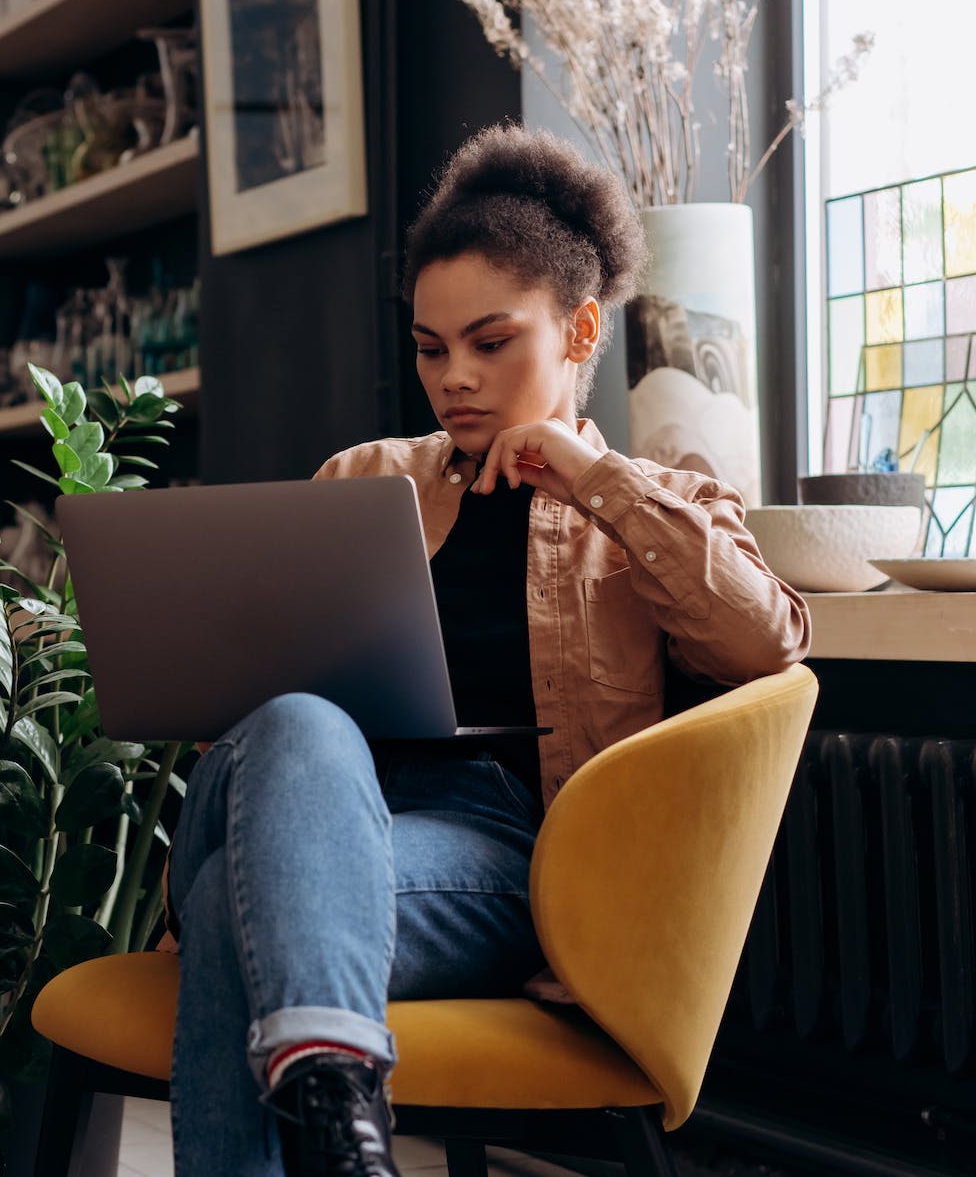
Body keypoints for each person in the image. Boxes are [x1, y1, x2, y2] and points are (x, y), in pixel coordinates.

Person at [165, 125, 811, 1177]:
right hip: (292, 792)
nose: (453, 377)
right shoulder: (364, 476)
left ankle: (324, 1085)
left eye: (490, 340)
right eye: (428, 347)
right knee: (297, 722)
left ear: (578, 328)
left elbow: (766, 641)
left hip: (495, 857)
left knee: (222, 909)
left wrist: (592, 483)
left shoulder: (662, 502)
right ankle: (339, 1101)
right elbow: (241, 703)